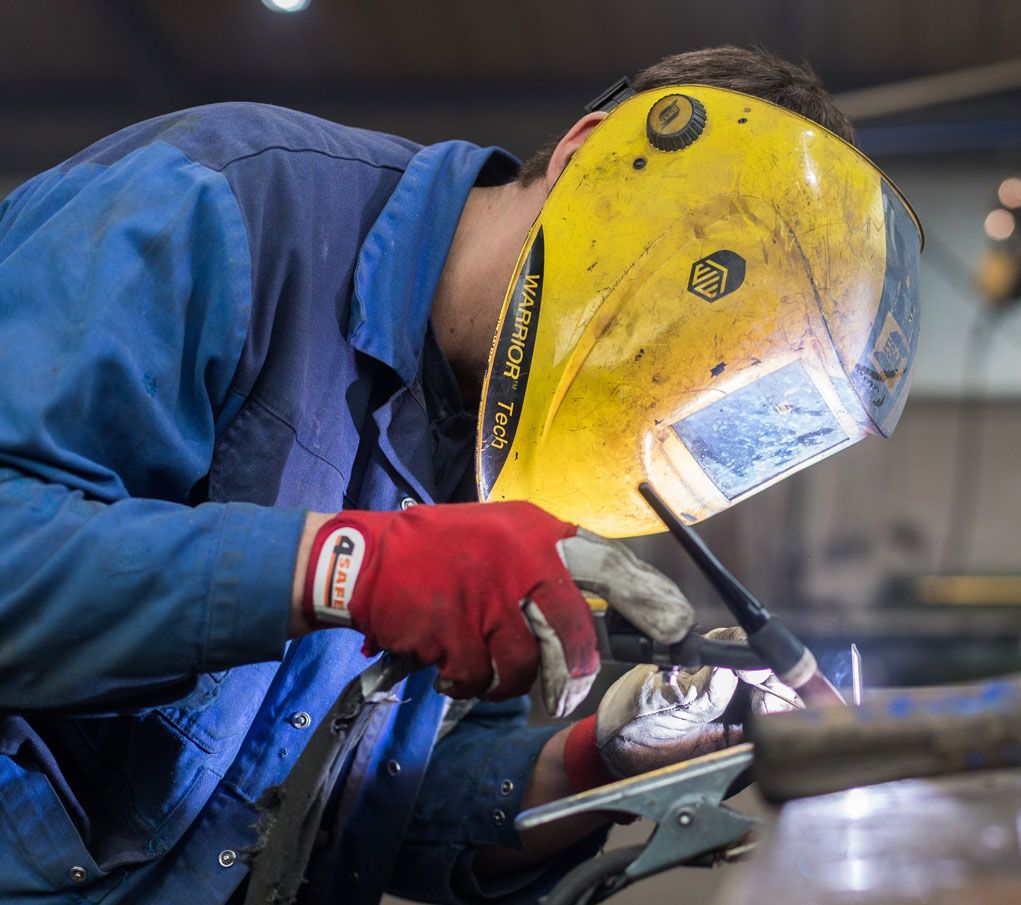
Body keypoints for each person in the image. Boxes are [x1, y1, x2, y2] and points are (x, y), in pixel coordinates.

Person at [0, 45, 921, 904]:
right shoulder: (218, 207)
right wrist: (349, 566)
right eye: (694, 318)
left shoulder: (514, 447)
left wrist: (601, 763)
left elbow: (376, 805)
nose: (671, 380)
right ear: (590, 161)